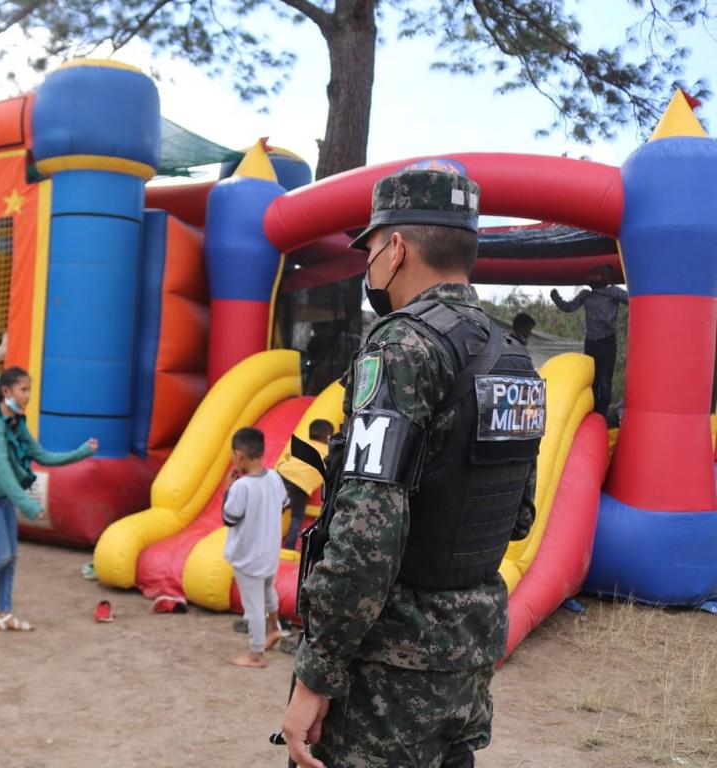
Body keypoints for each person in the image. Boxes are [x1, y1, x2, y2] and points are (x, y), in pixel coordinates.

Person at [282, 170, 542, 767]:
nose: (369, 265)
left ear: (395, 248)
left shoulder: (401, 348)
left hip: (389, 673)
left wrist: (316, 674)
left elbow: (365, 534)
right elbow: (518, 516)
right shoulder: (512, 357)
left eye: (371, 248)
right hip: (468, 654)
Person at [0, 366, 98, 631]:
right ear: (6, 391)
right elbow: (2, 470)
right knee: (1, 553)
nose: (28, 395)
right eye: (24, 390)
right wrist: (27, 504)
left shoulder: (16, 421)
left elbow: (43, 456)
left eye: (29, 389)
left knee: (11, 555)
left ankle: (4, 613)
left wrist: (82, 452)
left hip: (4, 496)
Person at [221, 427, 287, 668]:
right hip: (269, 551)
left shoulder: (241, 487)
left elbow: (229, 517)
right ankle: (274, 628)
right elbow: (283, 504)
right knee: (268, 591)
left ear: (239, 455)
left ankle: (256, 653)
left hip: (248, 555)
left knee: (253, 605)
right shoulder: (274, 478)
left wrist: (227, 490)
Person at [550, 266, 628, 416]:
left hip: (607, 341)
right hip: (591, 341)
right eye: (590, 275)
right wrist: (556, 298)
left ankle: (602, 412)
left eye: (596, 275)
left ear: (605, 278)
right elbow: (568, 307)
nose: (592, 278)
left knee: (604, 381)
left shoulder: (613, 292)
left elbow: (632, 300)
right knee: (592, 378)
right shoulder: (586, 295)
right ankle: (591, 410)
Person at [276, 419, 334, 549]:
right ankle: (289, 545)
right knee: (297, 515)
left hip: (283, 474)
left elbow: (287, 455)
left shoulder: (303, 444)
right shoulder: (328, 451)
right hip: (301, 484)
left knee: (275, 508)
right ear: (328, 436)